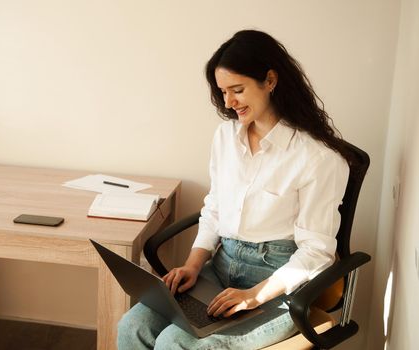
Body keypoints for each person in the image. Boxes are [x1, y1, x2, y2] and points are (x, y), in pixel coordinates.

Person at [117, 29, 353, 349]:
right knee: (133, 327)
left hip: (278, 283)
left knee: (175, 344)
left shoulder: (318, 158)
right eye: (223, 92)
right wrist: (193, 264)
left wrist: (256, 295)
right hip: (221, 266)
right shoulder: (226, 137)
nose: (228, 103)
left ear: (270, 80)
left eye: (237, 90)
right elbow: (215, 206)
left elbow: (317, 252)